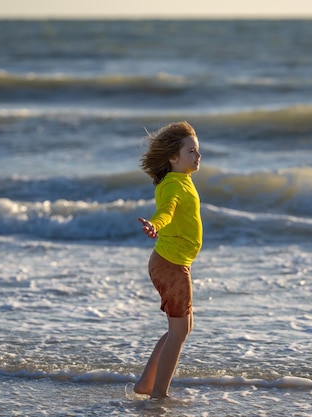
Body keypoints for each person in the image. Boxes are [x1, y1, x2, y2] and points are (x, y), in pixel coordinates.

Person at [134, 121, 203, 398]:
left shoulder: (180, 180)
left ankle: (146, 384)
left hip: (173, 262)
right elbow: (167, 211)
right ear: (174, 157)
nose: (198, 156)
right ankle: (158, 395)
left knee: (183, 327)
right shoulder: (174, 186)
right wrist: (156, 225)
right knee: (178, 331)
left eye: (198, 151)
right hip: (171, 264)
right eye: (192, 151)